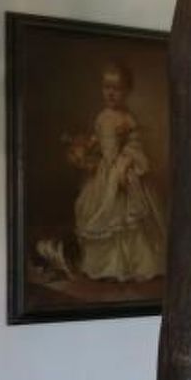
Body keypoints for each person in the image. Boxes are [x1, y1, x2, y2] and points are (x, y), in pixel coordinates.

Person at [62, 60, 166, 282]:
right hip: (104, 173)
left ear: (126, 91)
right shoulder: (102, 116)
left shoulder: (127, 118)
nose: (111, 93)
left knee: (126, 219)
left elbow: (134, 145)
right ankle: (106, 267)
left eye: (117, 89)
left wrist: (125, 163)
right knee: (96, 209)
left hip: (122, 171)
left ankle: (127, 266)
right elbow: (99, 141)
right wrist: (84, 149)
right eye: (107, 87)